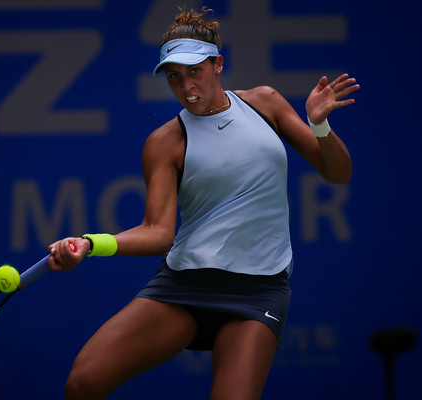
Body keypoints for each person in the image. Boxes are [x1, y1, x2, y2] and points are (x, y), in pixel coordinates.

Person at [47, 7, 359, 400]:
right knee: (83, 382)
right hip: (185, 286)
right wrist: (92, 244)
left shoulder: (265, 103)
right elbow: (158, 233)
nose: (186, 85)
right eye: (175, 77)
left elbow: (339, 173)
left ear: (218, 64)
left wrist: (320, 125)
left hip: (258, 292)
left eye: (195, 70)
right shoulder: (165, 142)